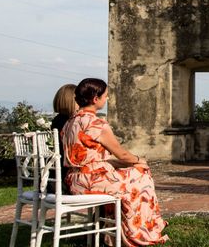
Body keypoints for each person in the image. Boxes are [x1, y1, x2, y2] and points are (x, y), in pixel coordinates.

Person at [62, 78, 168, 246]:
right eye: (105, 96)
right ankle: (138, 232)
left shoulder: (70, 122)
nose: (107, 99)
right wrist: (141, 161)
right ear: (95, 99)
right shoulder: (95, 123)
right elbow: (122, 154)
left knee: (134, 175)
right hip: (90, 181)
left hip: (74, 180)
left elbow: (94, 159)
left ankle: (117, 233)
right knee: (142, 176)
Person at [50, 83, 77, 194]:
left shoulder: (57, 121)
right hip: (66, 179)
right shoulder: (71, 123)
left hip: (53, 178)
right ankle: (103, 211)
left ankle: (102, 212)